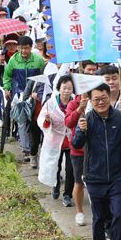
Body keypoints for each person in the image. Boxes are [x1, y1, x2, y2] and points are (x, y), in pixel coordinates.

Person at [73, 83, 121, 240]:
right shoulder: (87, 120)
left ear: (108, 96)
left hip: (117, 175)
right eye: (96, 99)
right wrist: (81, 130)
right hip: (94, 177)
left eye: (103, 98)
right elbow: (77, 144)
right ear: (91, 101)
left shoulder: (119, 118)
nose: (100, 102)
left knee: (119, 213)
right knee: (98, 218)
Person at [64, 60, 99, 226]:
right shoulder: (74, 102)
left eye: (94, 70)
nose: (91, 73)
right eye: (89, 70)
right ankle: (79, 211)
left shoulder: (99, 101)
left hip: (96, 149)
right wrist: (79, 109)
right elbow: (68, 123)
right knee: (79, 182)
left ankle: (99, 213)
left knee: (97, 184)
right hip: (78, 151)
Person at [3, 35, 46, 166]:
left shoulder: (39, 61)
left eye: (26, 48)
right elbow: (7, 76)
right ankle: (26, 150)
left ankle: (35, 147)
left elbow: (45, 77)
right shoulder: (13, 60)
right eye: (21, 49)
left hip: (34, 95)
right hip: (19, 94)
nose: (23, 51)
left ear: (31, 48)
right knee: (22, 122)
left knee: (33, 121)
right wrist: (7, 88)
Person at [38, 74, 75, 207]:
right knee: (56, 166)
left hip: (71, 141)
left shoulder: (76, 102)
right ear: (59, 88)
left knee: (71, 170)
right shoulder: (51, 103)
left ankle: (67, 194)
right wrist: (47, 121)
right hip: (55, 140)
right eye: (64, 88)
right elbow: (41, 120)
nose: (66, 91)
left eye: (69, 88)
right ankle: (55, 185)